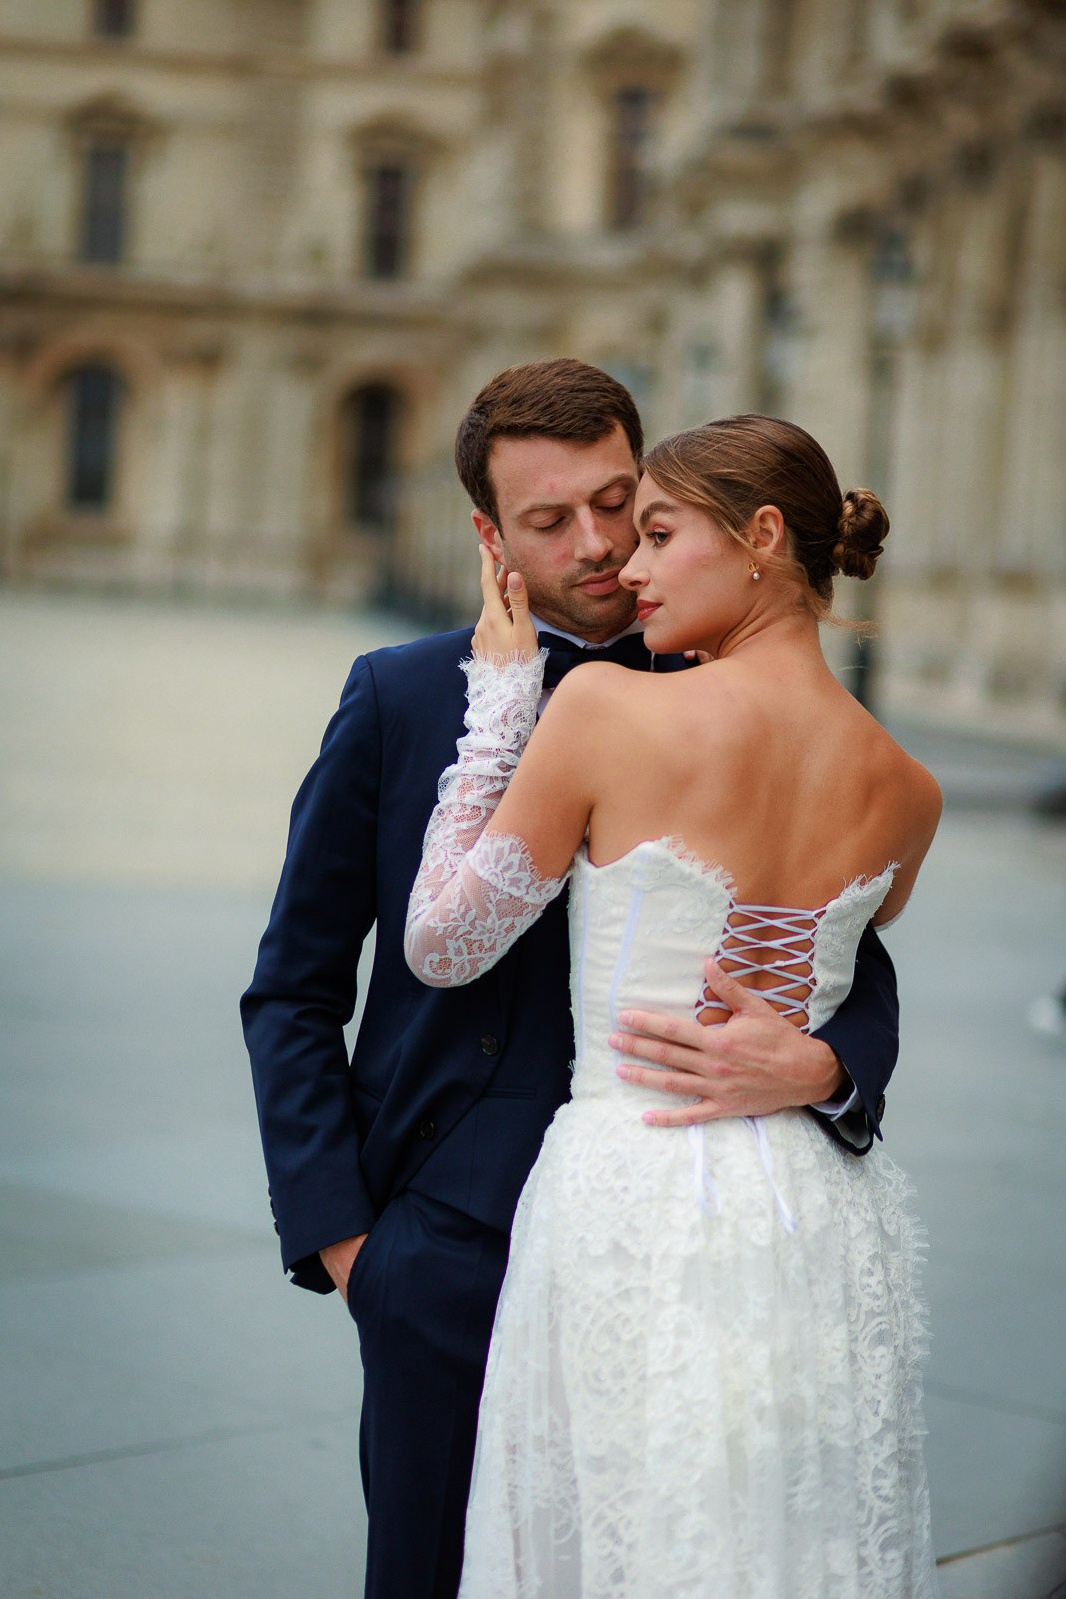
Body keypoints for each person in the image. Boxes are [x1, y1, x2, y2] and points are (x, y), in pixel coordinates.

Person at [241, 362, 902, 1599]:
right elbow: (292, 984)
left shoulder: (738, 693)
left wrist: (828, 1063)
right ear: (489, 534)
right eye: (550, 521)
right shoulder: (397, 695)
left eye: (620, 504)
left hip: (682, 1232)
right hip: (448, 1242)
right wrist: (349, 1246)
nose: (600, 546)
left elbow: (846, 945)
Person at [404, 413, 942, 1596]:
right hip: (816, 1213)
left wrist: (500, 709)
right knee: (790, 1543)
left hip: (630, 1185)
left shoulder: (599, 709)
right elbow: (855, 954)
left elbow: (444, 945)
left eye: (655, 533)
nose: (627, 567)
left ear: (759, 536)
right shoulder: (909, 790)